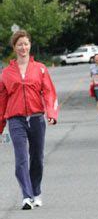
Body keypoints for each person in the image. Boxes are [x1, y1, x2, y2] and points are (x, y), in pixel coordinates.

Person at [0, 29, 58, 209]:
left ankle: (36, 191)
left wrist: (51, 113)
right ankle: (26, 196)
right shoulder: (6, 73)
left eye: (26, 44)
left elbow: (49, 92)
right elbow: (2, 101)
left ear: (29, 45)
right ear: (14, 47)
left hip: (36, 118)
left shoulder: (40, 68)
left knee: (37, 158)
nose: (23, 47)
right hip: (16, 119)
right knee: (21, 158)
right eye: (19, 45)